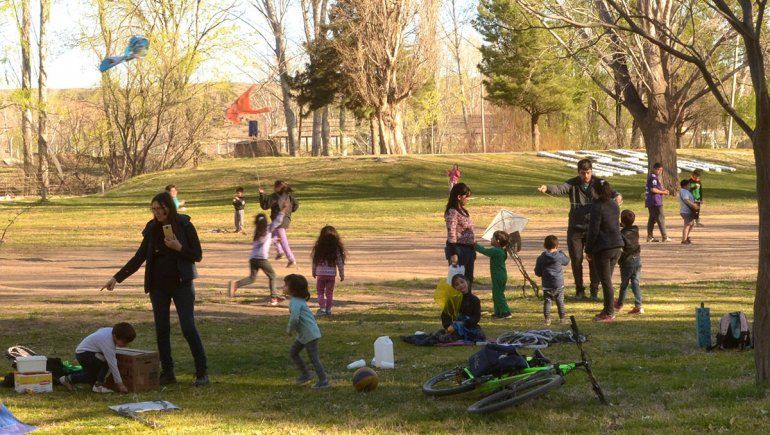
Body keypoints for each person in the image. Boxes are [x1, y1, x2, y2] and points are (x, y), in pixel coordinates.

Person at [101, 192, 209, 387]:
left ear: (170, 207)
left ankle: (202, 372)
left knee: (188, 327)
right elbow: (139, 257)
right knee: (162, 329)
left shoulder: (184, 225)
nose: (157, 213)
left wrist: (179, 247)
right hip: (158, 286)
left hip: (181, 284)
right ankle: (168, 372)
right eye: (154, 209)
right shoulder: (152, 229)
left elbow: (197, 255)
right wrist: (117, 278)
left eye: (160, 209)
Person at [538, 158, 622, 300]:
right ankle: (579, 290)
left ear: (592, 171)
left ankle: (594, 291)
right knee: (576, 259)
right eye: (583, 173)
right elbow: (560, 188)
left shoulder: (598, 183)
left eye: (588, 173)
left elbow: (612, 192)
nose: (586, 176)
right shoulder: (573, 183)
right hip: (575, 228)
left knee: (593, 260)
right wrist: (547, 188)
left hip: (593, 229)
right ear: (578, 173)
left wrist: (618, 196)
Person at [229, 199, 290, 304]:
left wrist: (274, 240)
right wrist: (284, 208)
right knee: (272, 276)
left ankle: (236, 285)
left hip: (253, 258)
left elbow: (263, 240)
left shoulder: (257, 231)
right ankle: (274, 297)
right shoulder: (268, 228)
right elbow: (278, 221)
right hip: (262, 259)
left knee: (252, 278)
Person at [58, 322, 136, 393]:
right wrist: (120, 384)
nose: (126, 345)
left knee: (90, 377)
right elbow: (113, 364)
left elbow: (100, 330)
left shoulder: (111, 331)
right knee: (107, 363)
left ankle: (67, 379)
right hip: (85, 354)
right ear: (115, 336)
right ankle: (98, 386)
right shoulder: (108, 343)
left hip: (84, 353)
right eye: (124, 342)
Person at [586, 180, 624, 322]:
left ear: (595, 191)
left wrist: (588, 249)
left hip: (604, 248)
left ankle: (609, 312)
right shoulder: (614, 204)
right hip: (617, 246)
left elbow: (593, 230)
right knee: (607, 280)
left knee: (606, 281)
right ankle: (607, 308)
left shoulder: (597, 206)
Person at [285, 274, 329, 389]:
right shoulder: (297, 300)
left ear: (293, 290)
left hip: (309, 334)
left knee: (313, 358)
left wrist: (289, 329)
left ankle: (323, 380)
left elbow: (295, 318)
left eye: (285, 285)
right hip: (304, 334)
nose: (283, 287)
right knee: (293, 352)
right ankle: (305, 374)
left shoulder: (295, 301)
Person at [260, 180, 299, 268]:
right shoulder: (289, 196)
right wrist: (289, 212)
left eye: (274, 186)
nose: (273, 188)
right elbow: (296, 205)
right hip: (286, 220)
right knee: (273, 235)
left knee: (283, 241)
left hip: (279, 222)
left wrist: (261, 194)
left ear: (278, 188)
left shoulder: (275, 196)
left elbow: (265, 205)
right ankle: (280, 251)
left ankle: (291, 259)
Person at [445, 183, 476, 291]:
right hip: (458, 250)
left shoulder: (464, 211)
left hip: (468, 250)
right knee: (459, 282)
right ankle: (458, 306)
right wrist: (453, 253)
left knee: (468, 281)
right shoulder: (452, 212)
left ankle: (468, 305)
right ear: (459, 197)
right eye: (466, 196)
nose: (468, 199)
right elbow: (451, 233)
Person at [474, 231, 511, 319]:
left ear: (497, 241)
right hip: (500, 275)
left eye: (492, 238)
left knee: (499, 295)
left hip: (498, 276)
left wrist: (475, 245)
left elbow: (484, 251)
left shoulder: (496, 251)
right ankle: (498, 312)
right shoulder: (502, 251)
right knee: (496, 294)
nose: (491, 239)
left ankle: (506, 312)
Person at [534, 235, 570, 325]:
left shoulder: (541, 258)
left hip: (547, 284)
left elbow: (537, 272)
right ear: (557, 245)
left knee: (547, 301)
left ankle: (547, 320)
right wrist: (562, 253)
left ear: (544, 245)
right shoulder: (560, 256)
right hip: (558, 284)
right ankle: (562, 319)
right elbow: (567, 261)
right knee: (560, 301)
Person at [312, 225, 346, 317]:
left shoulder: (318, 248)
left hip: (320, 274)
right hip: (331, 275)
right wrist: (342, 274)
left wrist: (314, 271)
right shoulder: (336, 249)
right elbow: (340, 263)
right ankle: (328, 309)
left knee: (320, 291)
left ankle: (322, 308)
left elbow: (315, 261)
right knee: (329, 292)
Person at [440, 274, 485, 342]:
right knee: (447, 337)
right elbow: (445, 315)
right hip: (455, 327)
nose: (460, 285)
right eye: (457, 285)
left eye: (462, 282)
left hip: (470, 326)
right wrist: (448, 326)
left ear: (467, 282)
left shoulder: (475, 300)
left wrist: (465, 323)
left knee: (480, 336)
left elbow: (476, 317)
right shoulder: (452, 300)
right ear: (454, 288)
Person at [616, 210, 643, 315]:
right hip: (637, 259)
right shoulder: (635, 230)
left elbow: (620, 246)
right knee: (635, 283)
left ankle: (620, 303)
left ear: (622, 222)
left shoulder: (622, 234)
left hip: (627, 261)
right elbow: (626, 226)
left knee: (624, 284)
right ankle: (638, 305)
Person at [645, 163, 671, 242]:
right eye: (659, 170)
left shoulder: (653, 177)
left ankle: (650, 236)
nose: (660, 172)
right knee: (660, 218)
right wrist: (663, 192)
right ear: (655, 169)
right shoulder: (653, 178)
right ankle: (665, 236)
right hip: (655, 201)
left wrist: (663, 190)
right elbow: (653, 189)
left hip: (651, 201)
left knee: (652, 218)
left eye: (661, 170)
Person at [679, 179, 700, 245]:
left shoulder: (685, 191)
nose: (690, 186)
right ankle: (684, 240)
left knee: (691, 224)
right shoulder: (684, 191)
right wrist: (693, 205)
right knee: (687, 225)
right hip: (686, 211)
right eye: (689, 185)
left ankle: (686, 237)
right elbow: (686, 200)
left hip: (688, 211)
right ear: (685, 186)